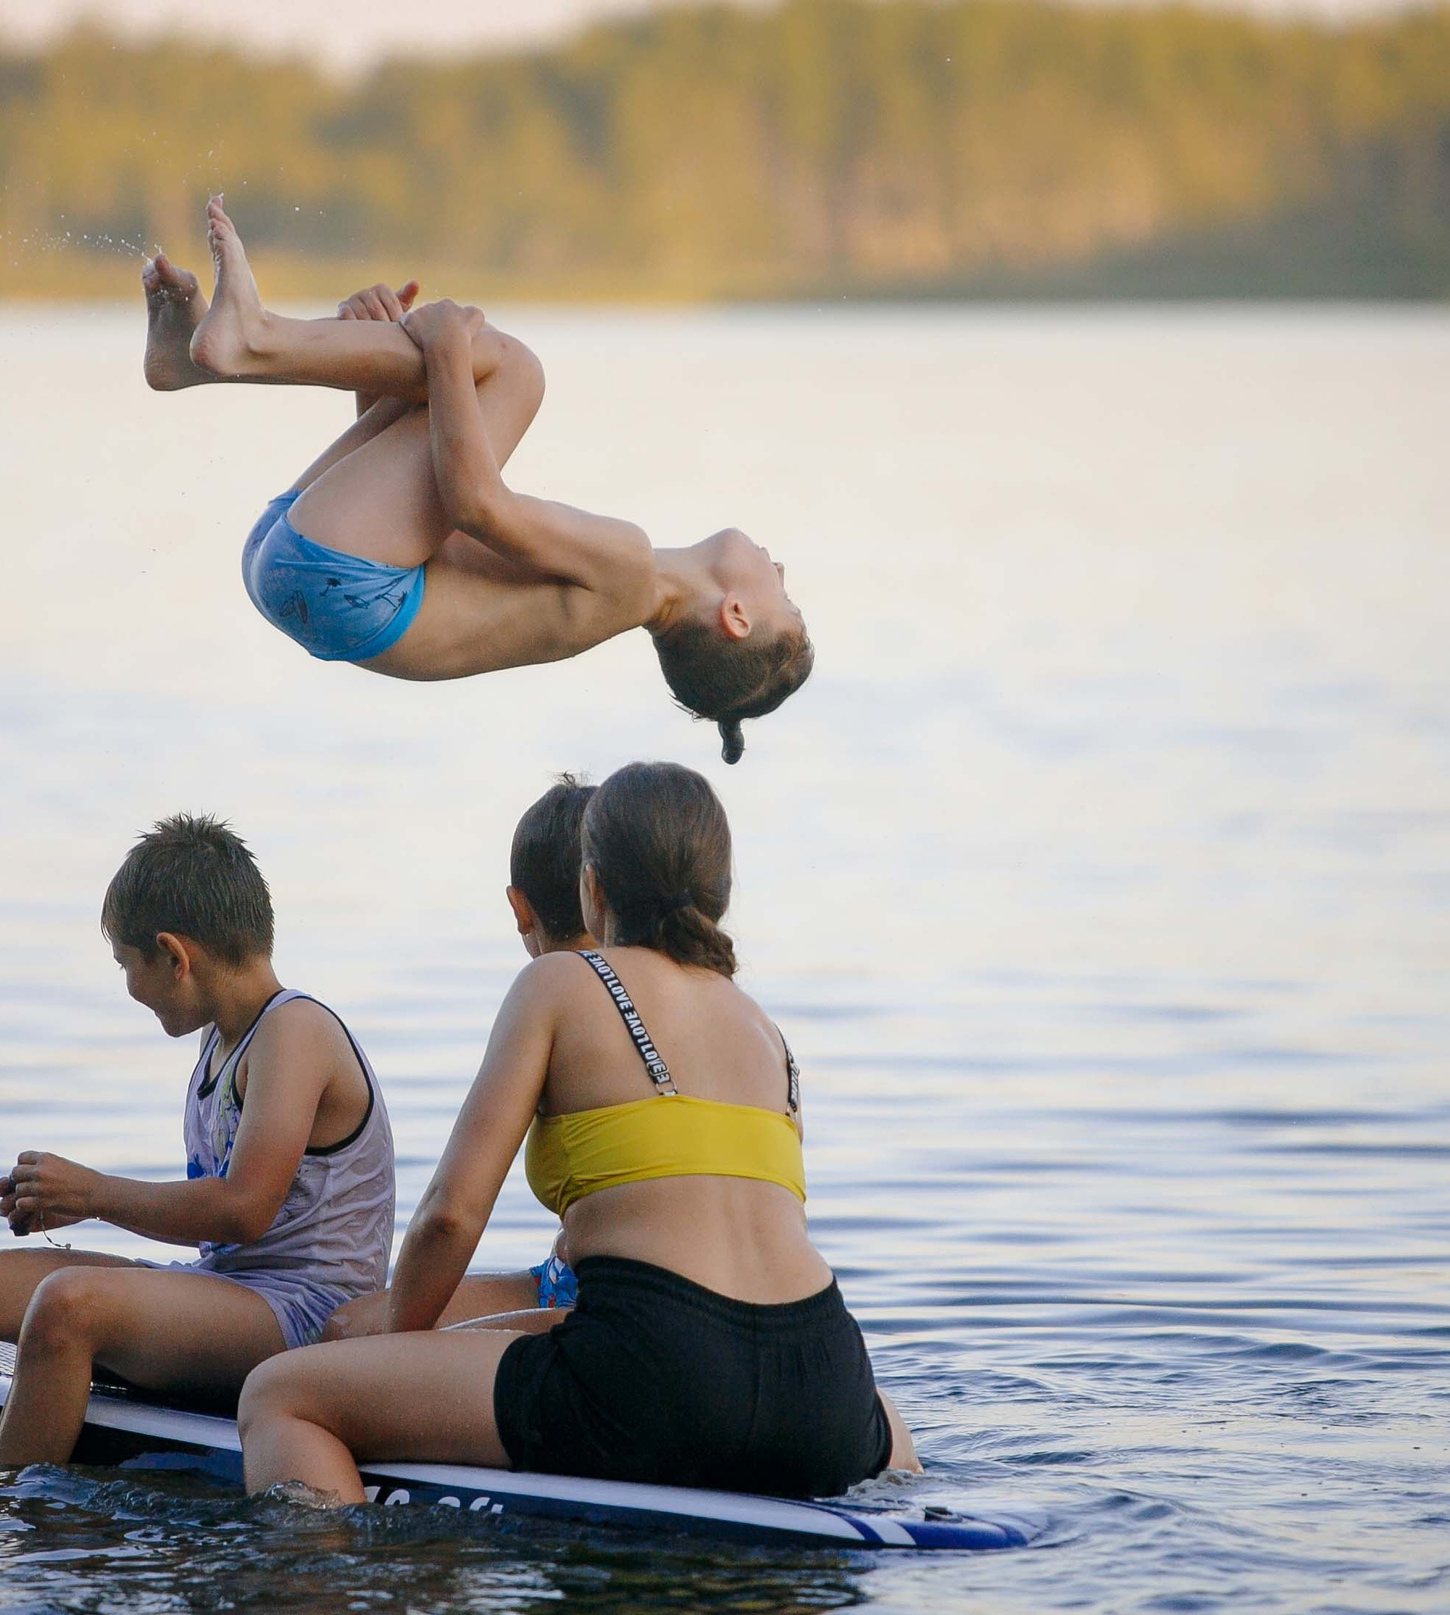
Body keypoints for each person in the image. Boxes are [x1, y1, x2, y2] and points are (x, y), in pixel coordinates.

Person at [235, 762, 921, 1502]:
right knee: (876, 1423)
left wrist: (400, 1334)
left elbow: (451, 1214)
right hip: (826, 1380)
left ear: (592, 887)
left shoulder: (562, 981)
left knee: (279, 1396)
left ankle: (338, 1592)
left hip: (655, 1380)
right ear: (721, 891)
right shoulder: (764, 1026)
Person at [140, 196, 812, 764]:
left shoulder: (632, 571)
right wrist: (384, 374)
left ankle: (249, 341)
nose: (778, 564)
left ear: (736, 615)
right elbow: (432, 519)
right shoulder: (619, 594)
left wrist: (447, 352)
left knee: (513, 368)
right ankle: (203, 356)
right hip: (307, 568)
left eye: (785, 594)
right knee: (457, 375)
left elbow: (477, 503)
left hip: (346, 574)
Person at [0, 814, 394, 1466]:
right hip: (226, 1286)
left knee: (69, 1305)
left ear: (175, 956)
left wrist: (92, 1193)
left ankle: (18, 1541)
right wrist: (77, 1200)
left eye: (126, 962)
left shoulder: (295, 1031)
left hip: (308, 1315)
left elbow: (243, 1208)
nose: (127, 985)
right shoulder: (221, 1036)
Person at [318, 775, 598, 1343]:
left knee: (347, 1335)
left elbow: (449, 1217)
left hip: (609, 1303)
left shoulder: (550, 986)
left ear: (520, 908)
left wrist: (400, 1350)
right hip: (585, 1281)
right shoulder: (698, 994)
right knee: (357, 1325)